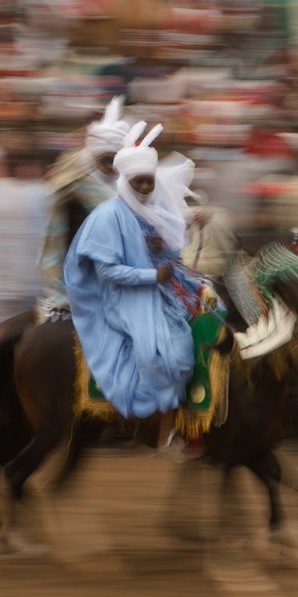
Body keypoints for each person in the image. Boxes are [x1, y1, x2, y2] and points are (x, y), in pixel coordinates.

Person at [64, 121, 204, 451]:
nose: (143, 186)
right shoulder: (106, 216)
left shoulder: (157, 209)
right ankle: (163, 426)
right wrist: (150, 277)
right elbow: (109, 272)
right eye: (137, 181)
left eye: (148, 180)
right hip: (124, 296)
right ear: (125, 181)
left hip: (163, 288)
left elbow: (172, 253)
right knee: (173, 352)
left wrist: (164, 254)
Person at [37, 95, 132, 321]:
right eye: (105, 160)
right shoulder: (72, 180)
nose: (111, 167)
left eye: (115, 161)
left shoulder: (132, 182)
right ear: (93, 156)